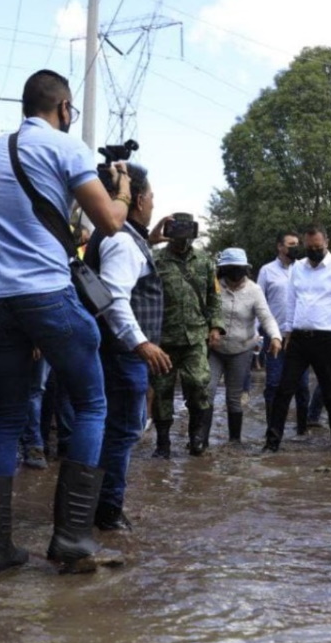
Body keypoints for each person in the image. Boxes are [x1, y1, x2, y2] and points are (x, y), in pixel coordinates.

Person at [0, 69, 130, 574]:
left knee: (9, 418)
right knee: (91, 404)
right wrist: (121, 190)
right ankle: (71, 540)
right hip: (46, 293)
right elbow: (109, 222)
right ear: (64, 107)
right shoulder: (68, 148)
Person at [87, 163, 171, 532]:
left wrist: (148, 241)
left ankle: (93, 507)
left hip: (111, 350)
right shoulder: (122, 241)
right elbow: (115, 299)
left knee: (106, 428)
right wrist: (141, 344)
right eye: (151, 197)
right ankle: (107, 511)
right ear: (138, 199)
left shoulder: (120, 237)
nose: (153, 204)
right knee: (121, 431)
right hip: (122, 353)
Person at [264, 225, 331, 453]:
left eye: (318, 247)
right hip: (298, 337)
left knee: (330, 393)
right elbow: (291, 301)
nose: (315, 251)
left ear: (327, 242)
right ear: (305, 245)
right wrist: (287, 332)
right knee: (283, 390)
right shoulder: (298, 267)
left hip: (328, 338)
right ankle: (272, 443)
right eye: (310, 247)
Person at [148, 215, 224, 458]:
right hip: (163, 339)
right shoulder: (155, 260)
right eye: (176, 229)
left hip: (195, 336)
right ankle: (162, 443)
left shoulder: (204, 261)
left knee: (199, 384)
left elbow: (214, 297)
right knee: (161, 392)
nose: (182, 235)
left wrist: (215, 326)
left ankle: (197, 438)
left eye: (186, 229)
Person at [201, 248, 281, 445]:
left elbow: (266, 317)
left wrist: (276, 337)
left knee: (234, 397)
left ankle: (234, 441)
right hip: (215, 350)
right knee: (207, 391)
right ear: (223, 270)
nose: (235, 275)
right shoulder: (213, 287)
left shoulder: (254, 290)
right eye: (231, 270)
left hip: (241, 349)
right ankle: (201, 439)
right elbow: (203, 311)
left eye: (239, 270)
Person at [257, 232, 310, 433]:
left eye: (297, 244)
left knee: (302, 386)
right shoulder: (267, 271)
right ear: (280, 247)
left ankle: (302, 431)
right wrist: (257, 333)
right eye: (291, 244)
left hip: (300, 336)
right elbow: (258, 302)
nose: (295, 247)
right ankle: (273, 428)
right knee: (273, 383)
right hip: (275, 335)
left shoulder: (306, 269)